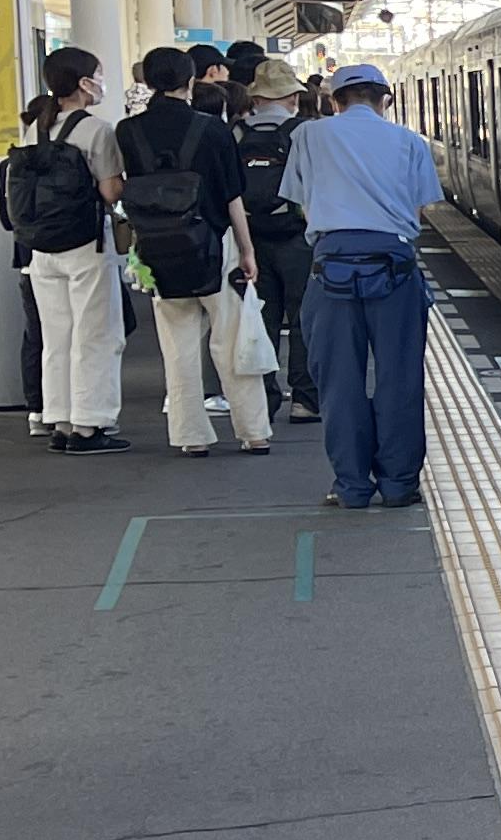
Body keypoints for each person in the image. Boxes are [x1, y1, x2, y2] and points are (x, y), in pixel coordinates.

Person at [279, 60, 445, 509]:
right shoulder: (410, 142)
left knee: (338, 381)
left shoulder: (308, 136)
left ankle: (351, 486)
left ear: (335, 101)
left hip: (330, 266)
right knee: (399, 377)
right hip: (394, 265)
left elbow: (301, 202)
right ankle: (399, 485)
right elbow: (420, 209)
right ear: (384, 99)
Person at [114, 46, 271, 459]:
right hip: (214, 244)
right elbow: (232, 196)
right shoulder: (213, 129)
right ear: (190, 81)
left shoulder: (128, 131)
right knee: (232, 339)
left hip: (156, 248)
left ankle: (190, 435)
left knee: (177, 346)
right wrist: (248, 250)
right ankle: (253, 431)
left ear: (149, 82)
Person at [0, 46, 130, 453]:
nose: (103, 81)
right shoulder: (96, 130)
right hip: (85, 244)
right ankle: (90, 425)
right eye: (99, 74)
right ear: (84, 82)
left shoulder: (35, 128)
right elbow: (110, 191)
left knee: (56, 337)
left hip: (41, 248)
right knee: (95, 334)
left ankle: (61, 419)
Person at [231, 58, 325, 427]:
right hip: (297, 236)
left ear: (255, 98)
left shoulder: (236, 133)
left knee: (260, 319)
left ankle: (263, 402)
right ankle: (304, 400)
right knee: (304, 317)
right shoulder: (305, 131)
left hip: (250, 239)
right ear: (293, 97)